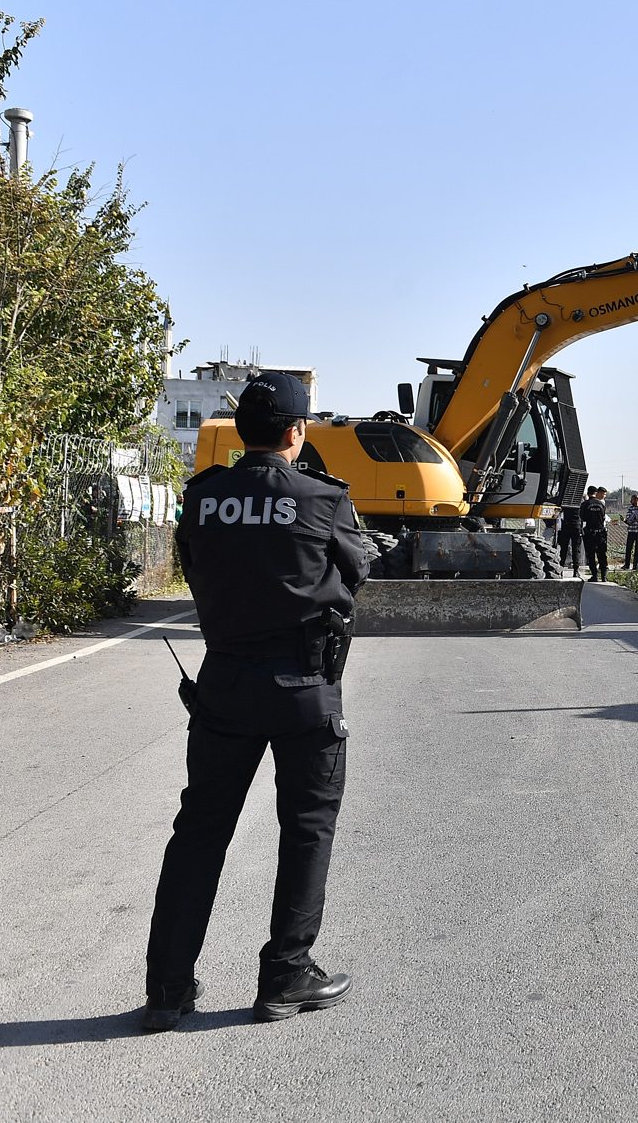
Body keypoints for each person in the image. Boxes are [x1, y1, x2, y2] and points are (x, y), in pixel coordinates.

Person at [143, 372, 370, 1032]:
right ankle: (284, 975)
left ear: (242, 432)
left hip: (225, 684)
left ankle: (166, 987)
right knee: (307, 827)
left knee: (200, 830)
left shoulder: (205, 496)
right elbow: (354, 573)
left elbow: (195, 565)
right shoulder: (324, 498)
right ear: (297, 434)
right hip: (304, 685)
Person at [580, 485, 610, 581]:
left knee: (591, 555)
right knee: (602, 554)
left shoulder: (585, 504)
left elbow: (582, 518)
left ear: (588, 494)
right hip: (601, 533)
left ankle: (594, 576)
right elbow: (603, 517)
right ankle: (604, 576)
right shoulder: (601, 504)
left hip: (590, 533)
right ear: (596, 493)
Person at [556, 497, 583, 575]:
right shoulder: (580, 501)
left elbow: (559, 512)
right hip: (576, 525)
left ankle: (560, 569)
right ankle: (576, 570)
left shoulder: (565, 500)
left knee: (563, 549)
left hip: (566, 525)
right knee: (576, 549)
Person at [621, 494, 638, 569]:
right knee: (633, 548)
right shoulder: (635, 511)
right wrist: (625, 520)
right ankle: (632, 565)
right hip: (635, 530)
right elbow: (630, 520)